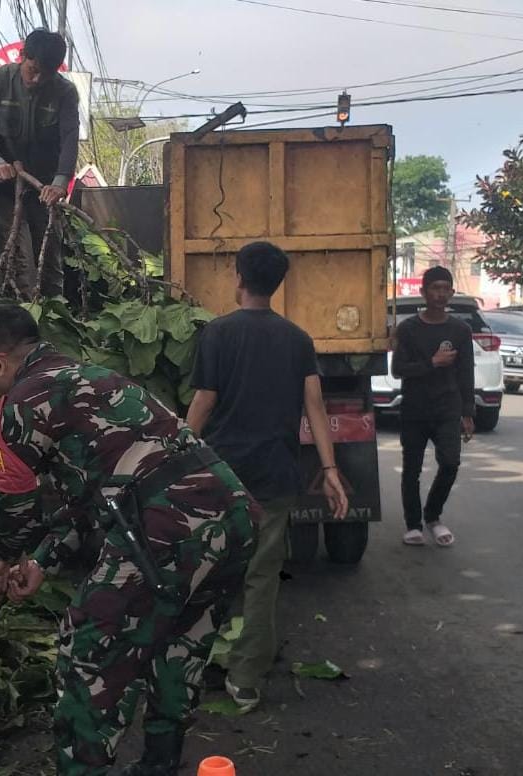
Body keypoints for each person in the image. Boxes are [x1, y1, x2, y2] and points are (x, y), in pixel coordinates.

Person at [0, 304, 257, 776]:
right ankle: (159, 767)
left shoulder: (19, 403)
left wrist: (3, 557)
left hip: (167, 528)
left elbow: (14, 502)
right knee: (178, 650)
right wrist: (40, 562)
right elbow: (90, 501)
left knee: (87, 655)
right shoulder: (97, 378)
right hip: (233, 515)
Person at [186, 241, 349, 711]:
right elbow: (314, 407)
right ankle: (246, 679)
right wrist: (330, 469)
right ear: (277, 284)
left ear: (238, 279)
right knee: (262, 576)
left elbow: (204, 402)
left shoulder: (218, 333)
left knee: (212, 570)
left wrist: (170, 456)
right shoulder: (297, 339)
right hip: (276, 475)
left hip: (219, 475)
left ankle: (199, 664)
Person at [0, 29, 79, 298]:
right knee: (17, 261)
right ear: (23, 57)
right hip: (8, 189)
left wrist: (59, 183)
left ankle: (55, 321)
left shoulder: (65, 92)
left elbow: (69, 139)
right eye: (33, 69)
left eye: (46, 73)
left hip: (45, 189)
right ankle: (22, 317)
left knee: (50, 263)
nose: (37, 78)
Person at [391, 265, 475, 548]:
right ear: (423, 292)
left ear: (452, 292)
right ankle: (413, 525)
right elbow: (398, 369)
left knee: (450, 463)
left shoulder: (461, 330)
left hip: (447, 408)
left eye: (445, 288)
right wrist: (432, 363)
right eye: (434, 288)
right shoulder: (409, 329)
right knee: (411, 468)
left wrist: (467, 413)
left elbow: (466, 372)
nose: (440, 294)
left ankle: (433, 516)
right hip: (415, 408)